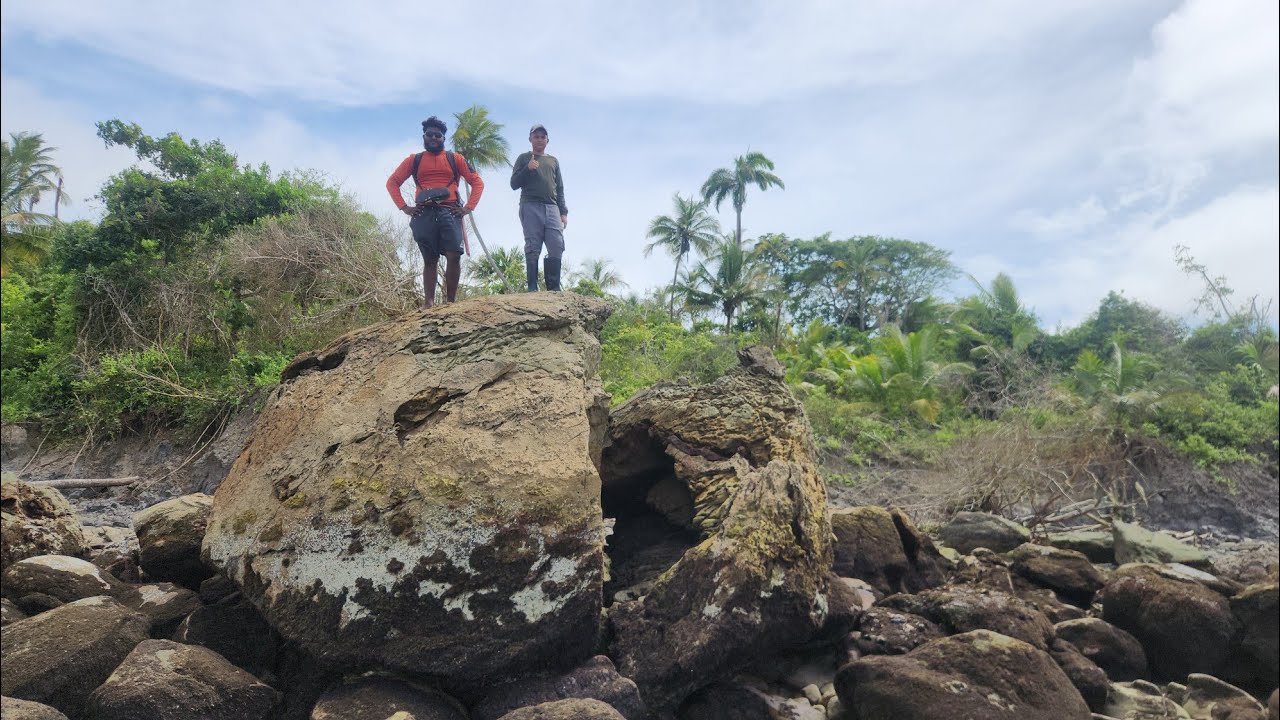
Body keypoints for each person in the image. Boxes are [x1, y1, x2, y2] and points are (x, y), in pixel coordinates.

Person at [386, 116, 484, 307]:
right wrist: (405, 207)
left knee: (454, 255)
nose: (433, 138)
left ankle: (450, 302)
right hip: (424, 214)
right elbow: (392, 182)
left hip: (450, 211)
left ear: (443, 138)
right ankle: (429, 303)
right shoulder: (414, 160)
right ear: (424, 136)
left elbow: (477, 182)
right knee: (430, 258)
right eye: (429, 135)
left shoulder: (455, 159)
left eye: (437, 135)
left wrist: (468, 208)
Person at [510, 123, 568, 292]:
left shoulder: (553, 161)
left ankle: (553, 287)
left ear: (547, 140)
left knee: (556, 244)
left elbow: (560, 188)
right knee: (533, 246)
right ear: (530, 139)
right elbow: (514, 184)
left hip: (552, 207)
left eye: (543, 137)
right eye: (536, 136)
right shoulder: (523, 158)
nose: (540, 139)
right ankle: (532, 288)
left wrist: (563, 212)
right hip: (530, 205)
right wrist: (527, 169)